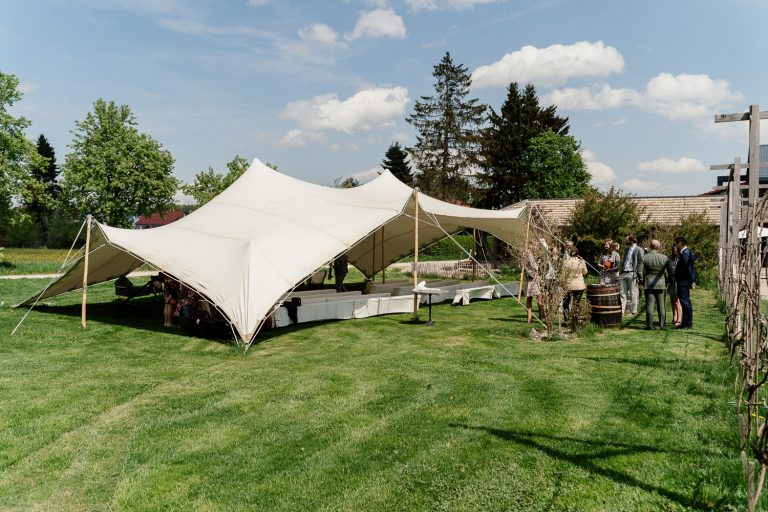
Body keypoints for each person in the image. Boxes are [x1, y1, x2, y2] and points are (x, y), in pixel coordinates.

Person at [638, 239, 671, 330]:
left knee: (650, 305)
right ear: (658, 247)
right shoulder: (665, 258)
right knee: (661, 305)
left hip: (649, 283)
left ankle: (649, 325)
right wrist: (668, 281)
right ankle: (662, 325)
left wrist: (642, 280)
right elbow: (670, 272)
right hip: (661, 283)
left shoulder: (645, 257)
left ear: (650, 246)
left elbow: (639, 272)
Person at [674, 236, 697, 329]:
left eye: (676, 244)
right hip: (683, 280)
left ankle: (688, 323)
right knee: (685, 302)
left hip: (683, 281)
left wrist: (692, 281)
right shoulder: (684, 253)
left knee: (685, 302)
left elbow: (688, 268)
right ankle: (685, 323)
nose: (675, 246)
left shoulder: (685, 254)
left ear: (680, 243)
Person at [620, 234, 644, 316]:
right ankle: (622, 311)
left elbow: (641, 262)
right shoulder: (626, 249)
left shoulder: (639, 249)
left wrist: (637, 273)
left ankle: (634, 311)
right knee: (622, 293)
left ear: (631, 240)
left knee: (633, 293)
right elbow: (624, 260)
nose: (625, 241)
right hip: (624, 273)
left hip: (632, 273)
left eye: (627, 239)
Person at [562, 246, 587, 316]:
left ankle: (566, 320)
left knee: (566, 303)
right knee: (576, 304)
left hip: (568, 284)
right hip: (579, 285)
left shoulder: (566, 262)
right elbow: (585, 272)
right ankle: (574, 320)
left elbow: (563, 274)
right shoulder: (581, 261)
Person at [524, 239, 544, 323]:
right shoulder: (528, 254)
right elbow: (533, 267)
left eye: (536, 245)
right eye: (533, 245)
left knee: (539, 297)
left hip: (535, 278)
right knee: (530, 298)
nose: (535, 247)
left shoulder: (535, 254)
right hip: (531, 279)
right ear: (530, 245)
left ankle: (541, 315)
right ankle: (530, 318)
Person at [667, 245, 683, 327]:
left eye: (676, 249)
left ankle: (679, 319)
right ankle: (674, 317)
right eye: (673, 249)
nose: (674, 251)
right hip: (670, 281)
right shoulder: (669, 258)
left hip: (677, 281)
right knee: (672, 300)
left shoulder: (680, 258)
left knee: (677, 301)